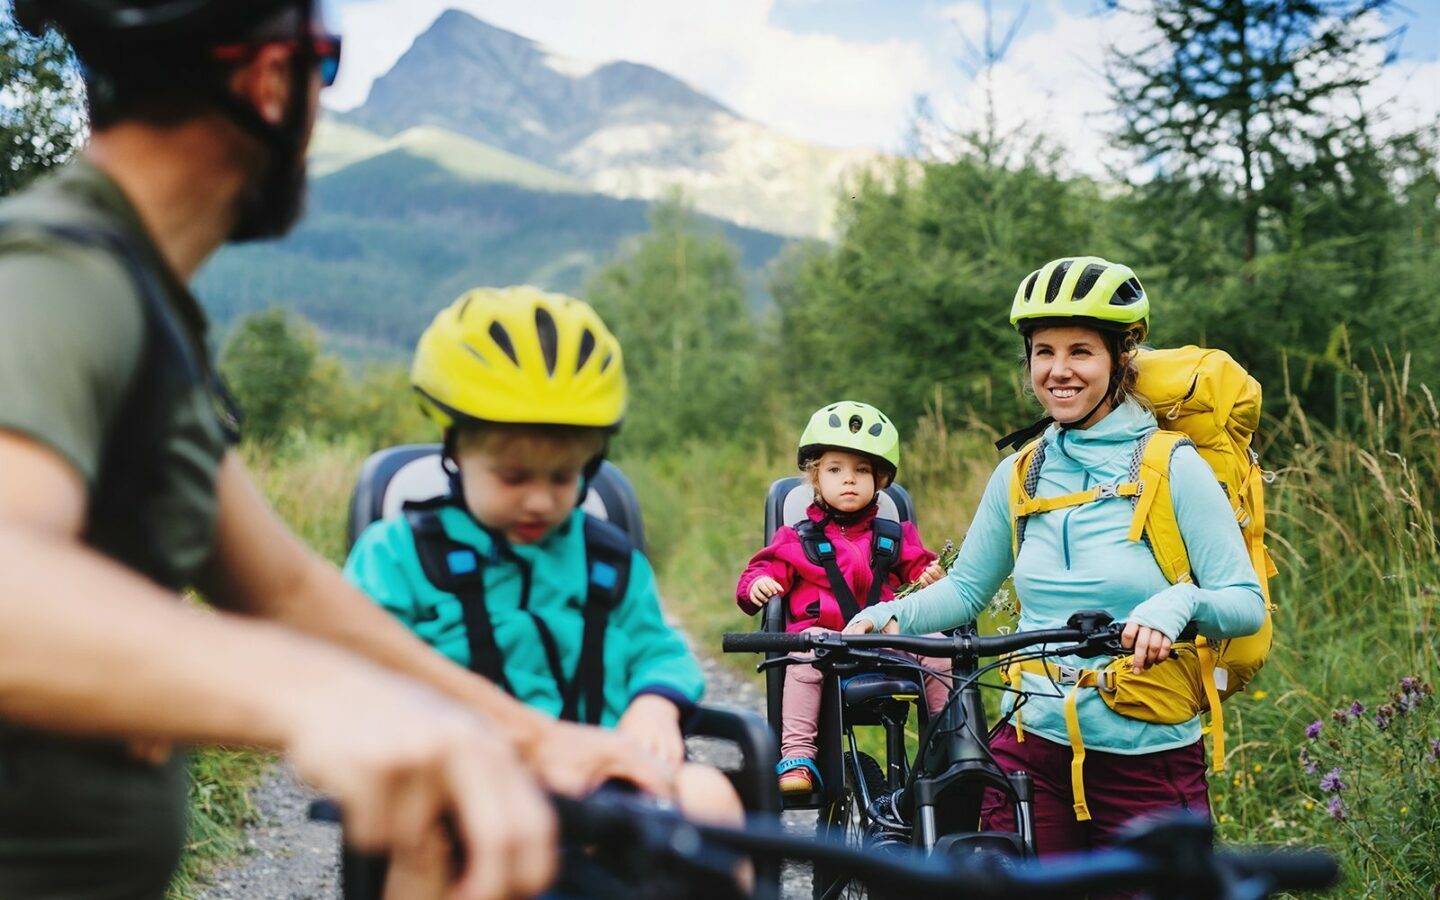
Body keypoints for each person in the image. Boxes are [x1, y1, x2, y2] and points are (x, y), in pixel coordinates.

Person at [0, 4, 667, 899]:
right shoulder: (61, 275)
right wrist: (326, 695)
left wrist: (529, 735)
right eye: (330, 74)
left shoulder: (139, 302)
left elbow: (281, 590)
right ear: (275, 81)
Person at [845, 257, 1266, 853]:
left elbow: (1245, 604)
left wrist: (1178, 604)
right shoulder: (1020, 473)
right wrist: (887, 615)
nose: (1058, 371)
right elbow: (967, 589)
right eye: (1044, 352)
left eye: (1080, 352)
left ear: (1121, 359)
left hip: (1148, 754)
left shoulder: (1173, 467)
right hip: (1034, 743)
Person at [344, 286, 744, 896]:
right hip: (462, 781)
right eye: (512, 476)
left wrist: (655, 703)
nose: (538, 498)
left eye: (563, 478)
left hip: (604, 778)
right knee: (421, 835)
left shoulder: (610, 561)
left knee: (710, 795)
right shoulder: (398, 556)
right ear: (454, 453)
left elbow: (657, 647)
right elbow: (361, 661)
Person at [736, 401, 948, 794]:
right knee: (800, 659)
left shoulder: (894, 534)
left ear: (880, 480)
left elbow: (920, 567)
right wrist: (756, 586)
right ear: (816, 479)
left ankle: (947, 742)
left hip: (885, 641)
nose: (848, 480)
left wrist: (930, 576)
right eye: (835, 470)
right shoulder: (795, 538)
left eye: (861, 470)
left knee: (937, 647)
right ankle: (797, 757)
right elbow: (762, 569)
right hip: (823, 643)